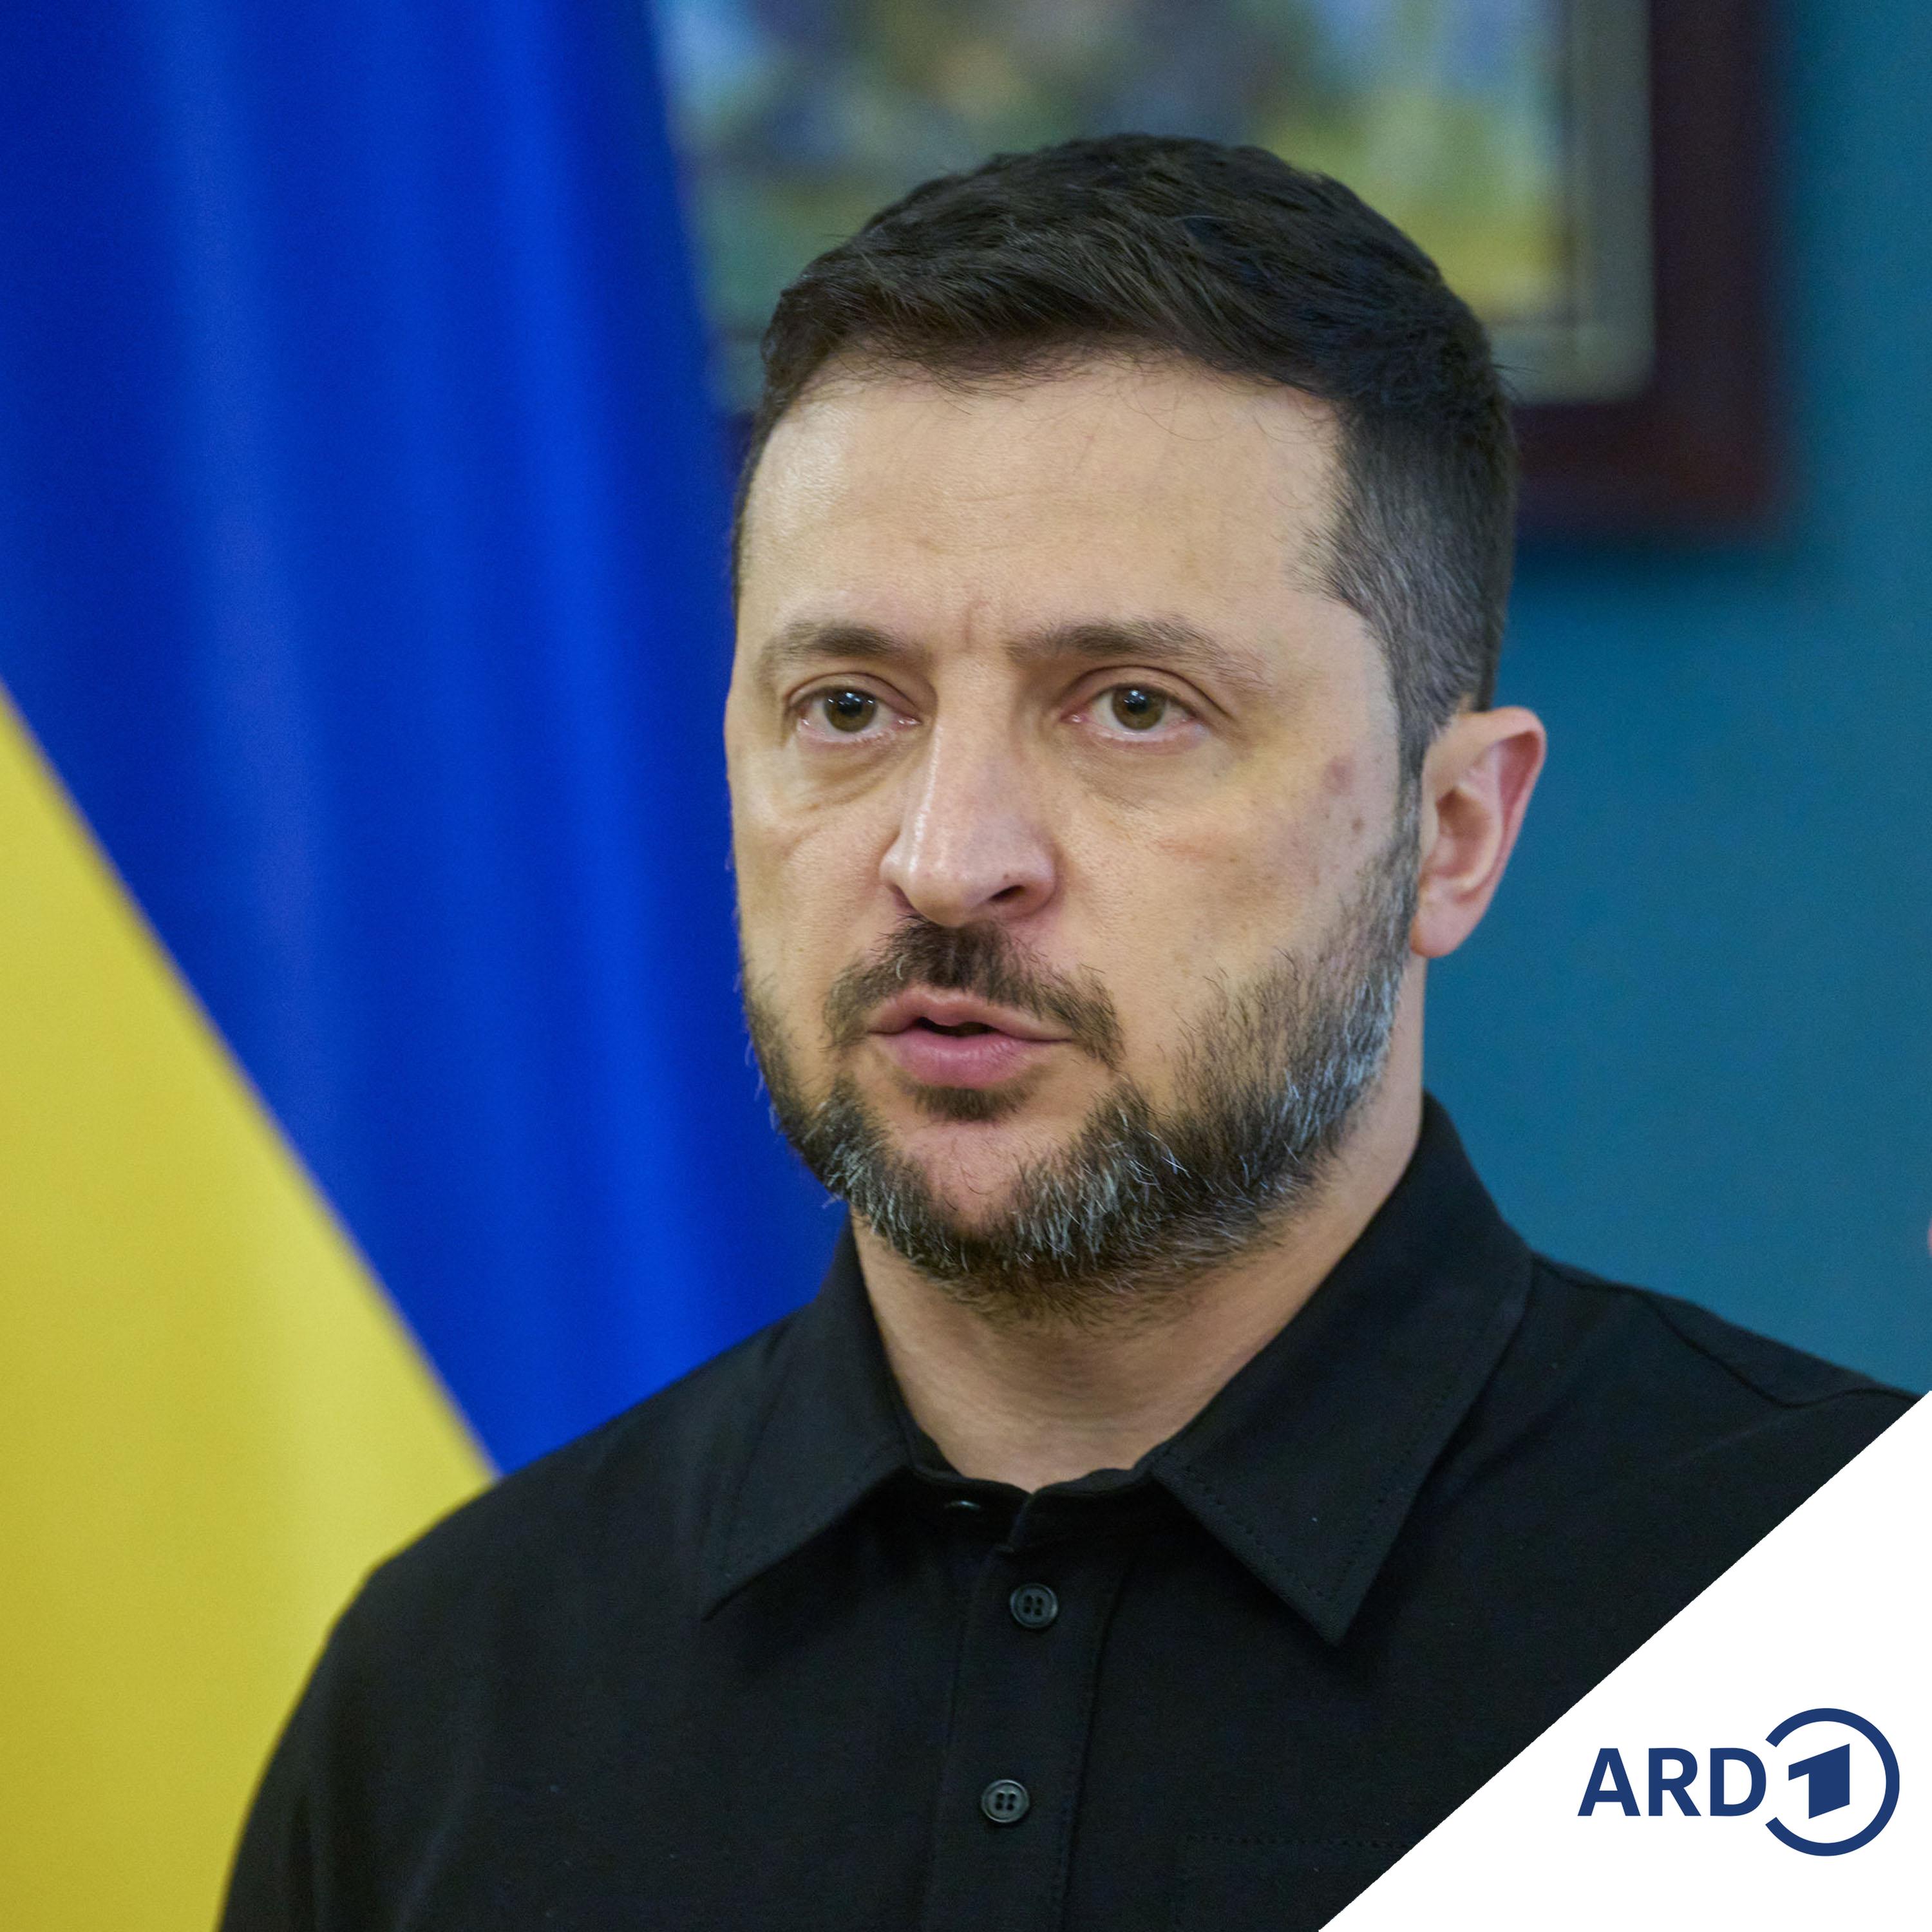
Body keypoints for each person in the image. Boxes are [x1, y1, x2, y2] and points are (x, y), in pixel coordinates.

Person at [222, 136, 1909, 1931]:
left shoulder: (1848, 1626)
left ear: (1454, 833)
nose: (946, 860)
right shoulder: (449, 1700)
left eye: (1132, 708)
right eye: (848, 706)